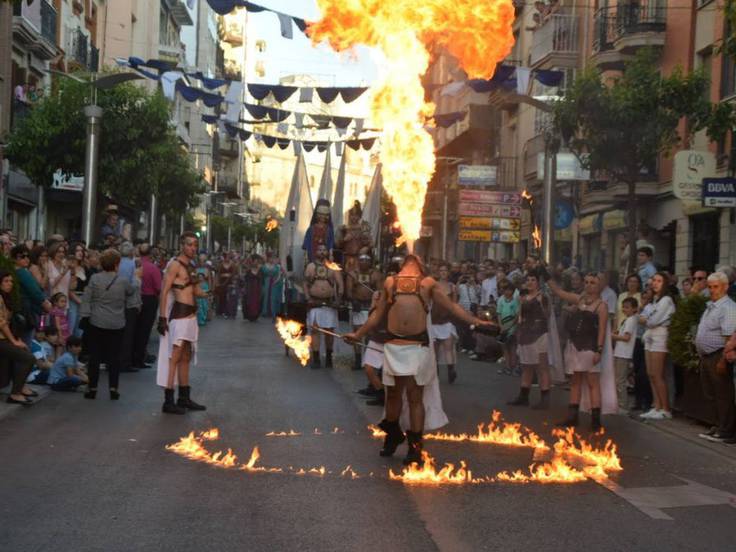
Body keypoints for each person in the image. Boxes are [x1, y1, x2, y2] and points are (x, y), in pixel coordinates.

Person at [344, 254, 494, 465]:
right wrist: (358, 335)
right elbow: (377, 316)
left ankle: (415, 448)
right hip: (394, 346)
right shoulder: (390, 282)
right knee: (394, 396)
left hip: (417, 347)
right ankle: (393, 436)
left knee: (415, 397)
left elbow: (452, 308)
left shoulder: (428, 284)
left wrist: (476, 321)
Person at [548, 272, 614, 431]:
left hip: (590, 347)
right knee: (575, 381)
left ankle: (596, 421)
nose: (588, 285)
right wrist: (544, 272)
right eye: (586, 282)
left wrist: (599, 350)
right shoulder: (579, 300)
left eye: (592, 282)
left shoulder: (602, 306)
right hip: (575, 346)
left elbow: (602, 331)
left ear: (599, 286)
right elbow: (559, 292)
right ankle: (572, 417)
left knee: (593, 383)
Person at [157, 232, 208, 414]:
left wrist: (211, 291)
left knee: (186, 355)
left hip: (191, 317)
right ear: (181, 245)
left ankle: (184, 398)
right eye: (189, 244)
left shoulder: (191, 266)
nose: (193, 248)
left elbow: (196, 291)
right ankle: (168, 401)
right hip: (178, 317)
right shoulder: (174, 265)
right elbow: (164, 292)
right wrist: (162, 318)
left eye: (195, 245)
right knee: (175, 357)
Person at [80, 249, 139, 401]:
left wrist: (85, 315)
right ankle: (113, 388)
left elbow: (87, 298)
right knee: (114, 357)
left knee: (95, 357)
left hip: (97, 321)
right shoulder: (123, 281)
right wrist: (137, 279)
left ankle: (92, 388)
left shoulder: (94, 278)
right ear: (116, 264)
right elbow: (131, 291)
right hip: (116, 322)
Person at [695, 272, 736, 443]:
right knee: (711, 393)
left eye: (716, 287)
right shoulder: (712, 305)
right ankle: (717, 426)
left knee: (723, 394)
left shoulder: (728, 307)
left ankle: (726, 431)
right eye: (710, 287)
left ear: (725, 287)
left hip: (719, 355)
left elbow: (729, 337)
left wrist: (722, 360)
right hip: (707, 356)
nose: (712, 290)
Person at [509, 270, 553, 409]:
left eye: (533, 280)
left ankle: (545, 398)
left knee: (541, 367)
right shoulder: (523, 297)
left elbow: (548, 315)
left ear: (538, 282)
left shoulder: (543, 297)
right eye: (528, 280)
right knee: (526, 365)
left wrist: (540, 303)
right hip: (525, 334)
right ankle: (523, 396)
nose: (530, 282)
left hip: (539, 334)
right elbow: (520, 317)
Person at [639, 272, 676, 421]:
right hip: (650, 335)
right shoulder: (654, 300)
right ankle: (657, 406)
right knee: (651, 373)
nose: (655, 283)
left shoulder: (666, 300)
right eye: (654, 280)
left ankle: (666, 409)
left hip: (660, 335)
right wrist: (646, 319)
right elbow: (644, 317)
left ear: (665, 283)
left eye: (659, 281)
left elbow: (652, 320)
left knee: (658, 374)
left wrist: (646, 319)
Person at [0, 270, 38, 405]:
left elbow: (9, 323)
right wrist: (14, 341)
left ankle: (20, 387)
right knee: (28, 358)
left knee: (26, 354)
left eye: (11, 281)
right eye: (6, 281)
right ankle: (15, 394)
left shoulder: (6, 297)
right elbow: (2, 324)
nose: (9, 284)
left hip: (4, 338)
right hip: (2, 340)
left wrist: (17, 339)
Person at [304, 243, 343, 369]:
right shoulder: (310, 266)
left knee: (329, 332)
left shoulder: (333, 267)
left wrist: (338, 300)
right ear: (316, 252)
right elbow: (305, 284)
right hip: (315, 303)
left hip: (329, 303)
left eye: (324, 250)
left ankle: (329, 358)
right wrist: (308, 298)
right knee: (315, 330)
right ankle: (316, 359)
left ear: (327, 252)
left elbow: (340, 285)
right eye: (319, 250)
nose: (321, 252)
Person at [346, 253, 383, 370]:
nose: (364, 262)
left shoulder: (375, 274)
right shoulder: (352, 274)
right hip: (358, 307)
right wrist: (353, 300)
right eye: (361, 260)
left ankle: (368, 360)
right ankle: (357, 360)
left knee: (370, 334)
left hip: (370, 307)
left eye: (366, 260)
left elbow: (379, 291)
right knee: (357, 332)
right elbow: (349, 291)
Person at [13, 245, 52, 346]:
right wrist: (45, 303)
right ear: (14, 258)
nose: (26, 259)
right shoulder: (21, 272)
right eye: (22, 256)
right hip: (26, 311)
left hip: (22, 311)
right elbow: (35, 290)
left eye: (27, 256)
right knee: (26, 342)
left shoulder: (17, 271)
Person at [132, 244, 162, 369]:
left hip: (136, 298)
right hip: (149, 299)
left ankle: (134, 356)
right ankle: (139, 358)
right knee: (144, 331)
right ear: (150, 254)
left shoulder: (135, 265)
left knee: (135, 329)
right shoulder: (153, 268)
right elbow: (158, 287)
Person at [431, 263, 459, 383]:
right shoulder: (433, 286)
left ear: (448, 273)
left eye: (445, 270)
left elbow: (454, 304)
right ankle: (435, 372)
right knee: (435, 349)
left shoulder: (452, 287)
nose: (443, 273)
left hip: (447, 320)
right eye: (441, 270)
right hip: (434, 320)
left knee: (448, 347)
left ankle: (451, 371)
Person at [612, 297, 639, 413]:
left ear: (634, 309)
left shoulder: (631, 320)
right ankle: (618, 402)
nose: (624, 309)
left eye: (627, 307)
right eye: (624, 307)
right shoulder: (627, 320)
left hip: (624, 354)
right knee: (618, 379)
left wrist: (613, 336)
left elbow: (626, 337)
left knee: (620, 381)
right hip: (619, 352)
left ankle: (623, 405)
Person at [336, 200, 372, 272]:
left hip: (360, 259)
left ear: (359, 216)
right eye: (352, 215)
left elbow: (371, 242)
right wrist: (344, 240)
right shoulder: (344, 228)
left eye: (356, 215)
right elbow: (337, 244)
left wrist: (366, 248)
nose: (354, 217)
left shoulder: (364, 228)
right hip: (346, 258)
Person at [496, 279, 520, 376]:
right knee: (505, 348)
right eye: (506, 290)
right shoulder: (501, 299)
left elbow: (517, 315)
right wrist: (501, 326)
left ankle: (514, 367)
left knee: (513, 348)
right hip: (503, 327)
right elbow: (498, 313)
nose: (507, 292)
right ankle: (507, 367)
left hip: (512, 327)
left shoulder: (515, 301)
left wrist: (511, 326)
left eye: (510, 290)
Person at [302, 198, 335, 263]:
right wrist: (305, 255)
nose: (322, 217)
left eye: (324, 215)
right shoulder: (311, 229)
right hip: (313, 255)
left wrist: (331, 254)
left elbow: (331, 244)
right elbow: (306, 243)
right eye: (321, 215)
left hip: (325, 257)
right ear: (317, 215)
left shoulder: (329, 230)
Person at [260, 252, 284, 320]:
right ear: (268, 258)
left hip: (274, 283)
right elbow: (261, 275)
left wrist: (276, 281)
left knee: (273, 297)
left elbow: (279, 275)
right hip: (266, 282)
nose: (271, 259)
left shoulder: (276, 266)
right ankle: (265, 311)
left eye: (272, 258)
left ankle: (273, 311)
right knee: (266, 296)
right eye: (270, 258)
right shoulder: (264, 266)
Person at [216, 253, 238, 318]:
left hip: (230, 282)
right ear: (224, 258)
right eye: (226, 257)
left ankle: (228, 311)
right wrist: (218, 282)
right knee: (222, 297)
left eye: (228, 257)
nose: (227, 259)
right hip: (222, 282)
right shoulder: (220, 265)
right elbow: (218, 274)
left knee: (229, 297)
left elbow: (235, 273)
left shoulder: (233, 265)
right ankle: (222, 311)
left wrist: (232, 279)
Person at [241, 255, 262, 322]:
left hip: (257, 288)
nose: (256, 263)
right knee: (249, 301)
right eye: (255, 262)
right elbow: (245, 278)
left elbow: (261, 279)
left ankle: (255, 315)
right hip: (250, 288)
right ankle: (249, 315)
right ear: (252, 262)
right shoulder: (249, 271)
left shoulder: (259, 271)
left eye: (257, 262)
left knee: (256, 302)